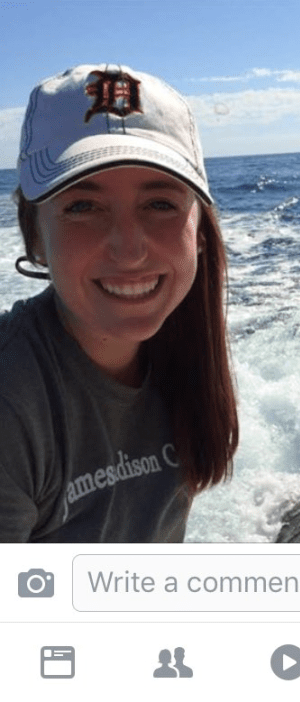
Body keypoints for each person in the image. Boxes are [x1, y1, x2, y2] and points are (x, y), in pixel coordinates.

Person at [0, 63, 238, 542]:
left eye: (160, 204)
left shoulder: (184, 353)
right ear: (35, 237)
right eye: (82, 206)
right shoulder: (13, 403)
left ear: (200, 233)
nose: (129, 250)